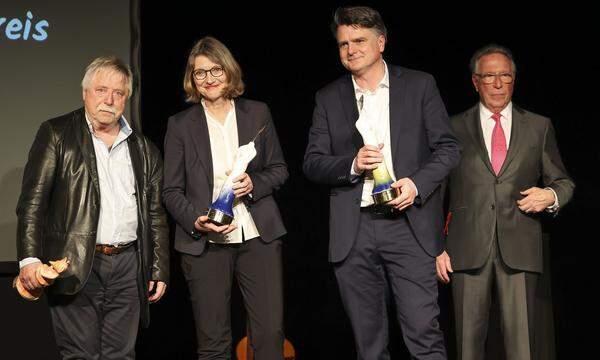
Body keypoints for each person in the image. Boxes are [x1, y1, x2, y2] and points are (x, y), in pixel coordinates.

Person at [303, 6, 460, 359]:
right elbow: (312, 163)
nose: (350, 49)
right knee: (369, 345)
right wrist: (353, 164)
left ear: (381, 42)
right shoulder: (328, 98)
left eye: (359, 40)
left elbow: (448, 149)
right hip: (354, 231)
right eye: (343, 43)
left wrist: (416, 185)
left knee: (423, 335)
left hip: (409, 226)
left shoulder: (420, 85)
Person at [16, 56, 169, 360]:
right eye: (101, 90)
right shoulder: (56, 134)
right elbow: (32, 201)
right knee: (80, 355)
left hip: (128, 265)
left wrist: (158, 267)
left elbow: (155, 214)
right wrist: (29, 259)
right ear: (85, 92)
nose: (109, 100)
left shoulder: (143, 148)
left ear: (126, 98)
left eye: (118, 93)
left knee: (122, 355)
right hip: (74, 262)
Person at [436, 44, 575, 360]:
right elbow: (437, 191)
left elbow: (563, 181)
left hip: (521, 245)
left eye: (505, 76)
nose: (498, 84)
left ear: (514, 79)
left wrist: (550, 195)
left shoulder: (539, 126)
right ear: (475, 81)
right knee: (467, 347)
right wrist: (436, 246)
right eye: (489, 77)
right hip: (466, 248)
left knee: (521, 346)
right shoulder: (452, 127)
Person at [162, 36, 288, 360]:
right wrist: (195, 219)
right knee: (213, 341)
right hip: (205, 242)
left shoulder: (257, 113)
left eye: (215, 69)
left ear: (229, 71)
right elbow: (171, 190)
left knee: (270, 335)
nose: (209, 78)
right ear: (192, 79)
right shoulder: (179, 125)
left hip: (258, 235)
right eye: (200, 73)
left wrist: (254, 183)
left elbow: (279, 170)